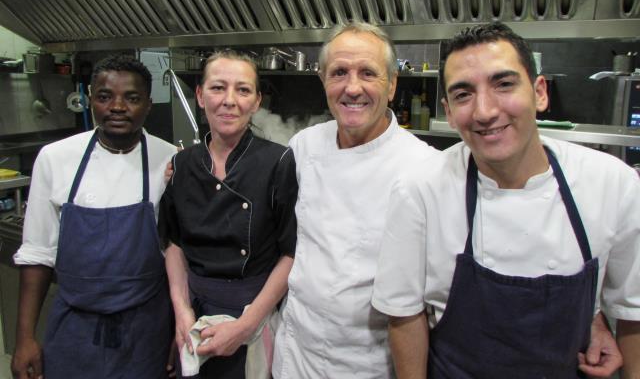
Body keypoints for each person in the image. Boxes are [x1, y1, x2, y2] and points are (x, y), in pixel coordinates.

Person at [372, 23, 640, 378]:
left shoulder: (612, 183)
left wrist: (598, 319)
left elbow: (631, 309)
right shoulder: (419, 189)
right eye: (463, 94)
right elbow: (404, 316)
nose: (484, 111)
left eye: (503, 84)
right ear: (449, 111)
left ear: (539, 92)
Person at [271, 22, 440, 378]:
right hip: (295, 353)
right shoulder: (304, 146)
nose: (352, 87)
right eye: (339, 73)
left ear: (392, 84)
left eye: (368, 73)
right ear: (323, 81)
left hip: (365, 364)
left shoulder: (424, 168)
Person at [12, 56, 178, 379]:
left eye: (131, 98)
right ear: (90, 100)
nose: (117, 107)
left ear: (149, 104)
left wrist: (180, 330)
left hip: (147, 331)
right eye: (104, 96)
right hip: (74, 330)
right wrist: (24, 338)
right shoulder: (55, 159)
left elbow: (180, 256)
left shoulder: (171, 160)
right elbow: (37, 254)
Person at [158, 50, 297, 378]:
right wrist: (181, 312)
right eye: (218, 88)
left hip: (254, 312)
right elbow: (174, 244)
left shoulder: (279, 163)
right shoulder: (181, 164)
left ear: (257, 101)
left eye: (243, 90)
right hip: (193, 314)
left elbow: (292, 252)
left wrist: (245, 325)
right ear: (200, 96)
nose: (229, 100)